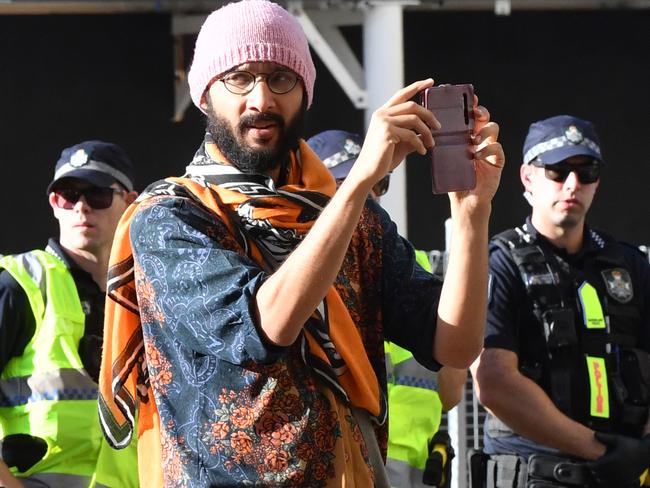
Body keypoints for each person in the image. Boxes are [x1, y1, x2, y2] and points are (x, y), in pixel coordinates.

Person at [97, 1, 504, 486]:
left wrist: (471, 214)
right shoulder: (170, 216)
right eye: (240, 78)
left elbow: (455, 346)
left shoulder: (355, 219)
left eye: (280, 78)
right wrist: (356, 184)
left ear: (304, 92)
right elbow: (267, 326)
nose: (261, 99)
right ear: (205, 95)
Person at [471, 115, 650, 487]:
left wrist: (641, 448)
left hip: (623, 472)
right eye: (557, 170)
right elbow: (494, 382)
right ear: (527, 177)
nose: (573, 184)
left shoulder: (629, 264)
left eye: (587, 171)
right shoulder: (500, 262)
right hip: (536, 475)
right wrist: (602, 452)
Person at [307, 129, 467, 488]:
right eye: (349, 182)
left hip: (415, 473)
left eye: (379, 184)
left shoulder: (415, 269)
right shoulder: (302, 278)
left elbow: (451, 394)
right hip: (343, 469)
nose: (371, 196)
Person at [0, 141, 139, 487]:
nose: (81, 207)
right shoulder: (21, 282)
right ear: (54, 204)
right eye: (67, 195)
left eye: (98, 195)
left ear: (130, 203)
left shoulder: (148, 302)